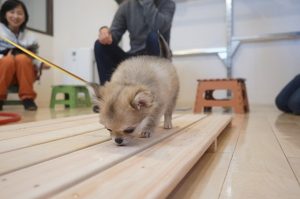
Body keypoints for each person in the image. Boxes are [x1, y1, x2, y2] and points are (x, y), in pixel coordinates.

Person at [94, 0, 176, 85]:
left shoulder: (168, 3)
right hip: (135, 57)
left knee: (154, 36)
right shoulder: (126, 5)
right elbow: (114, 36)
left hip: (158, 55)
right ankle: (108, 93)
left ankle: (153, 90)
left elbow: (157, 28)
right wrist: (105, 33)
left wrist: (146, 2)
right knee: (100, 45)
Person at [0, 0, 49, 111]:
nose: (16, 16)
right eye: (12, 12)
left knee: (22, 58)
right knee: (8, 61)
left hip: (24, 75)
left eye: (20, 13)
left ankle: (28, 98)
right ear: (4, 13)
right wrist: (5, 57)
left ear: (25, 16)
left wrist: (41, 64)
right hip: (3, 73)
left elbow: (35, 58)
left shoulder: (31, 36)